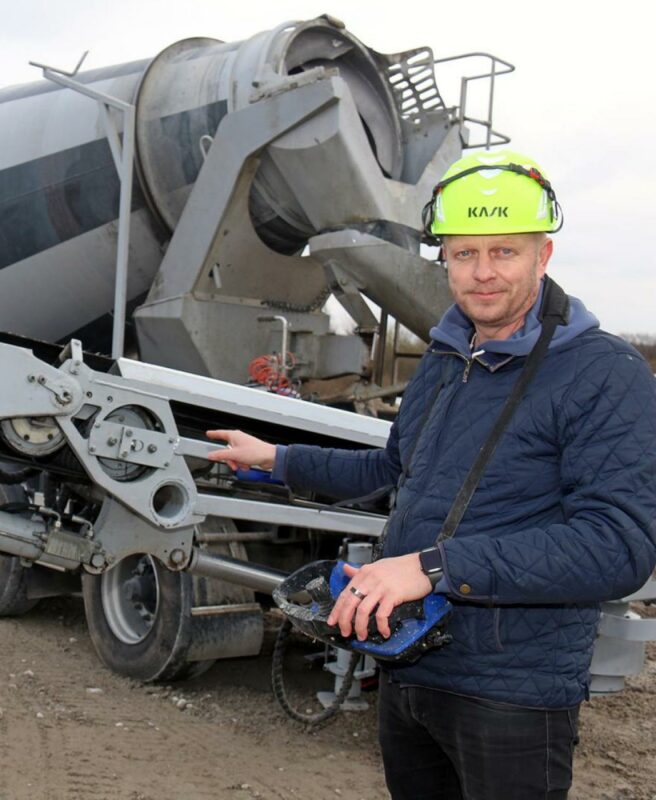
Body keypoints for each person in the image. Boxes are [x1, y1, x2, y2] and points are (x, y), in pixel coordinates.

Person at [208, 150, 656, 799]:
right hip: (411, 668)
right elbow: (395, 467)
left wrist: (432, 568)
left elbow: (617, 546)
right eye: (464, 253)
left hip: (511, 694)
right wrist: (276, 459)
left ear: (544, 256)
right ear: (443, 257)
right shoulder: (449, 357)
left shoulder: (603, 374)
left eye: (504, 252)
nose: (482, 274)